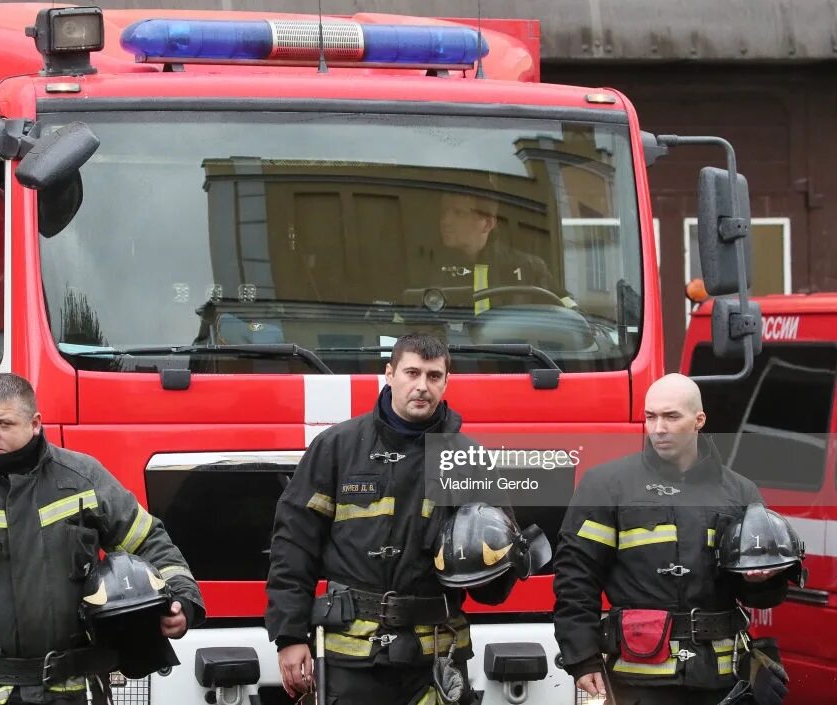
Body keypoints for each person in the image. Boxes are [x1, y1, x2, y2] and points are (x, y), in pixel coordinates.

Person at [0, 373, 204, 705]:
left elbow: (149, 541)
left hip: (70, 692)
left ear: (34, 424)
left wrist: (182, 601)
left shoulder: (82, 480)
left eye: (3, 424)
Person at [265, 333, 517, 705]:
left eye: (433, 376)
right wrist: (289, 637)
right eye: (412, 373)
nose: (422, 386)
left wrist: (506, 560)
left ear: (447, 381)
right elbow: (293, 546)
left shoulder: (469, 459)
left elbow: (495, 574)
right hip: (351, 659)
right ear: (389, 374)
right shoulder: (337, 447)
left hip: (436, 657)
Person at [553, 373, 792, 705]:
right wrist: (582, 657)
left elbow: (761, 594)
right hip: (637, 682)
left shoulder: (739, 492)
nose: (658, 428)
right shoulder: (606, 486)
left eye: (671, 416)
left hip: (721, 682)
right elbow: (576, 578)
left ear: (699, 420)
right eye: (650, 416)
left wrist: (762, 581)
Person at [434, 192, 575, 313]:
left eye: (459, 213)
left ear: (488, 224)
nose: (446, 221)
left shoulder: (528, 268)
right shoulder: (435, 270)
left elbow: (572, 314)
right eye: (443, 212)